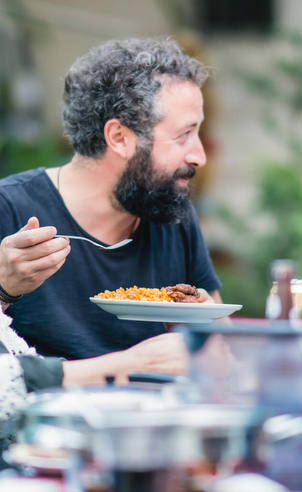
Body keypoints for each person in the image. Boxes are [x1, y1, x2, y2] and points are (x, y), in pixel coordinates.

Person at [0, 38, 222, 360]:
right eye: (183, 135)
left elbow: (222, 355)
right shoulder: (10, 209)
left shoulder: (175, 214)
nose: (200, 155)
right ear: (119, 138)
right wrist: (3, 287)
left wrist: (202, 329)